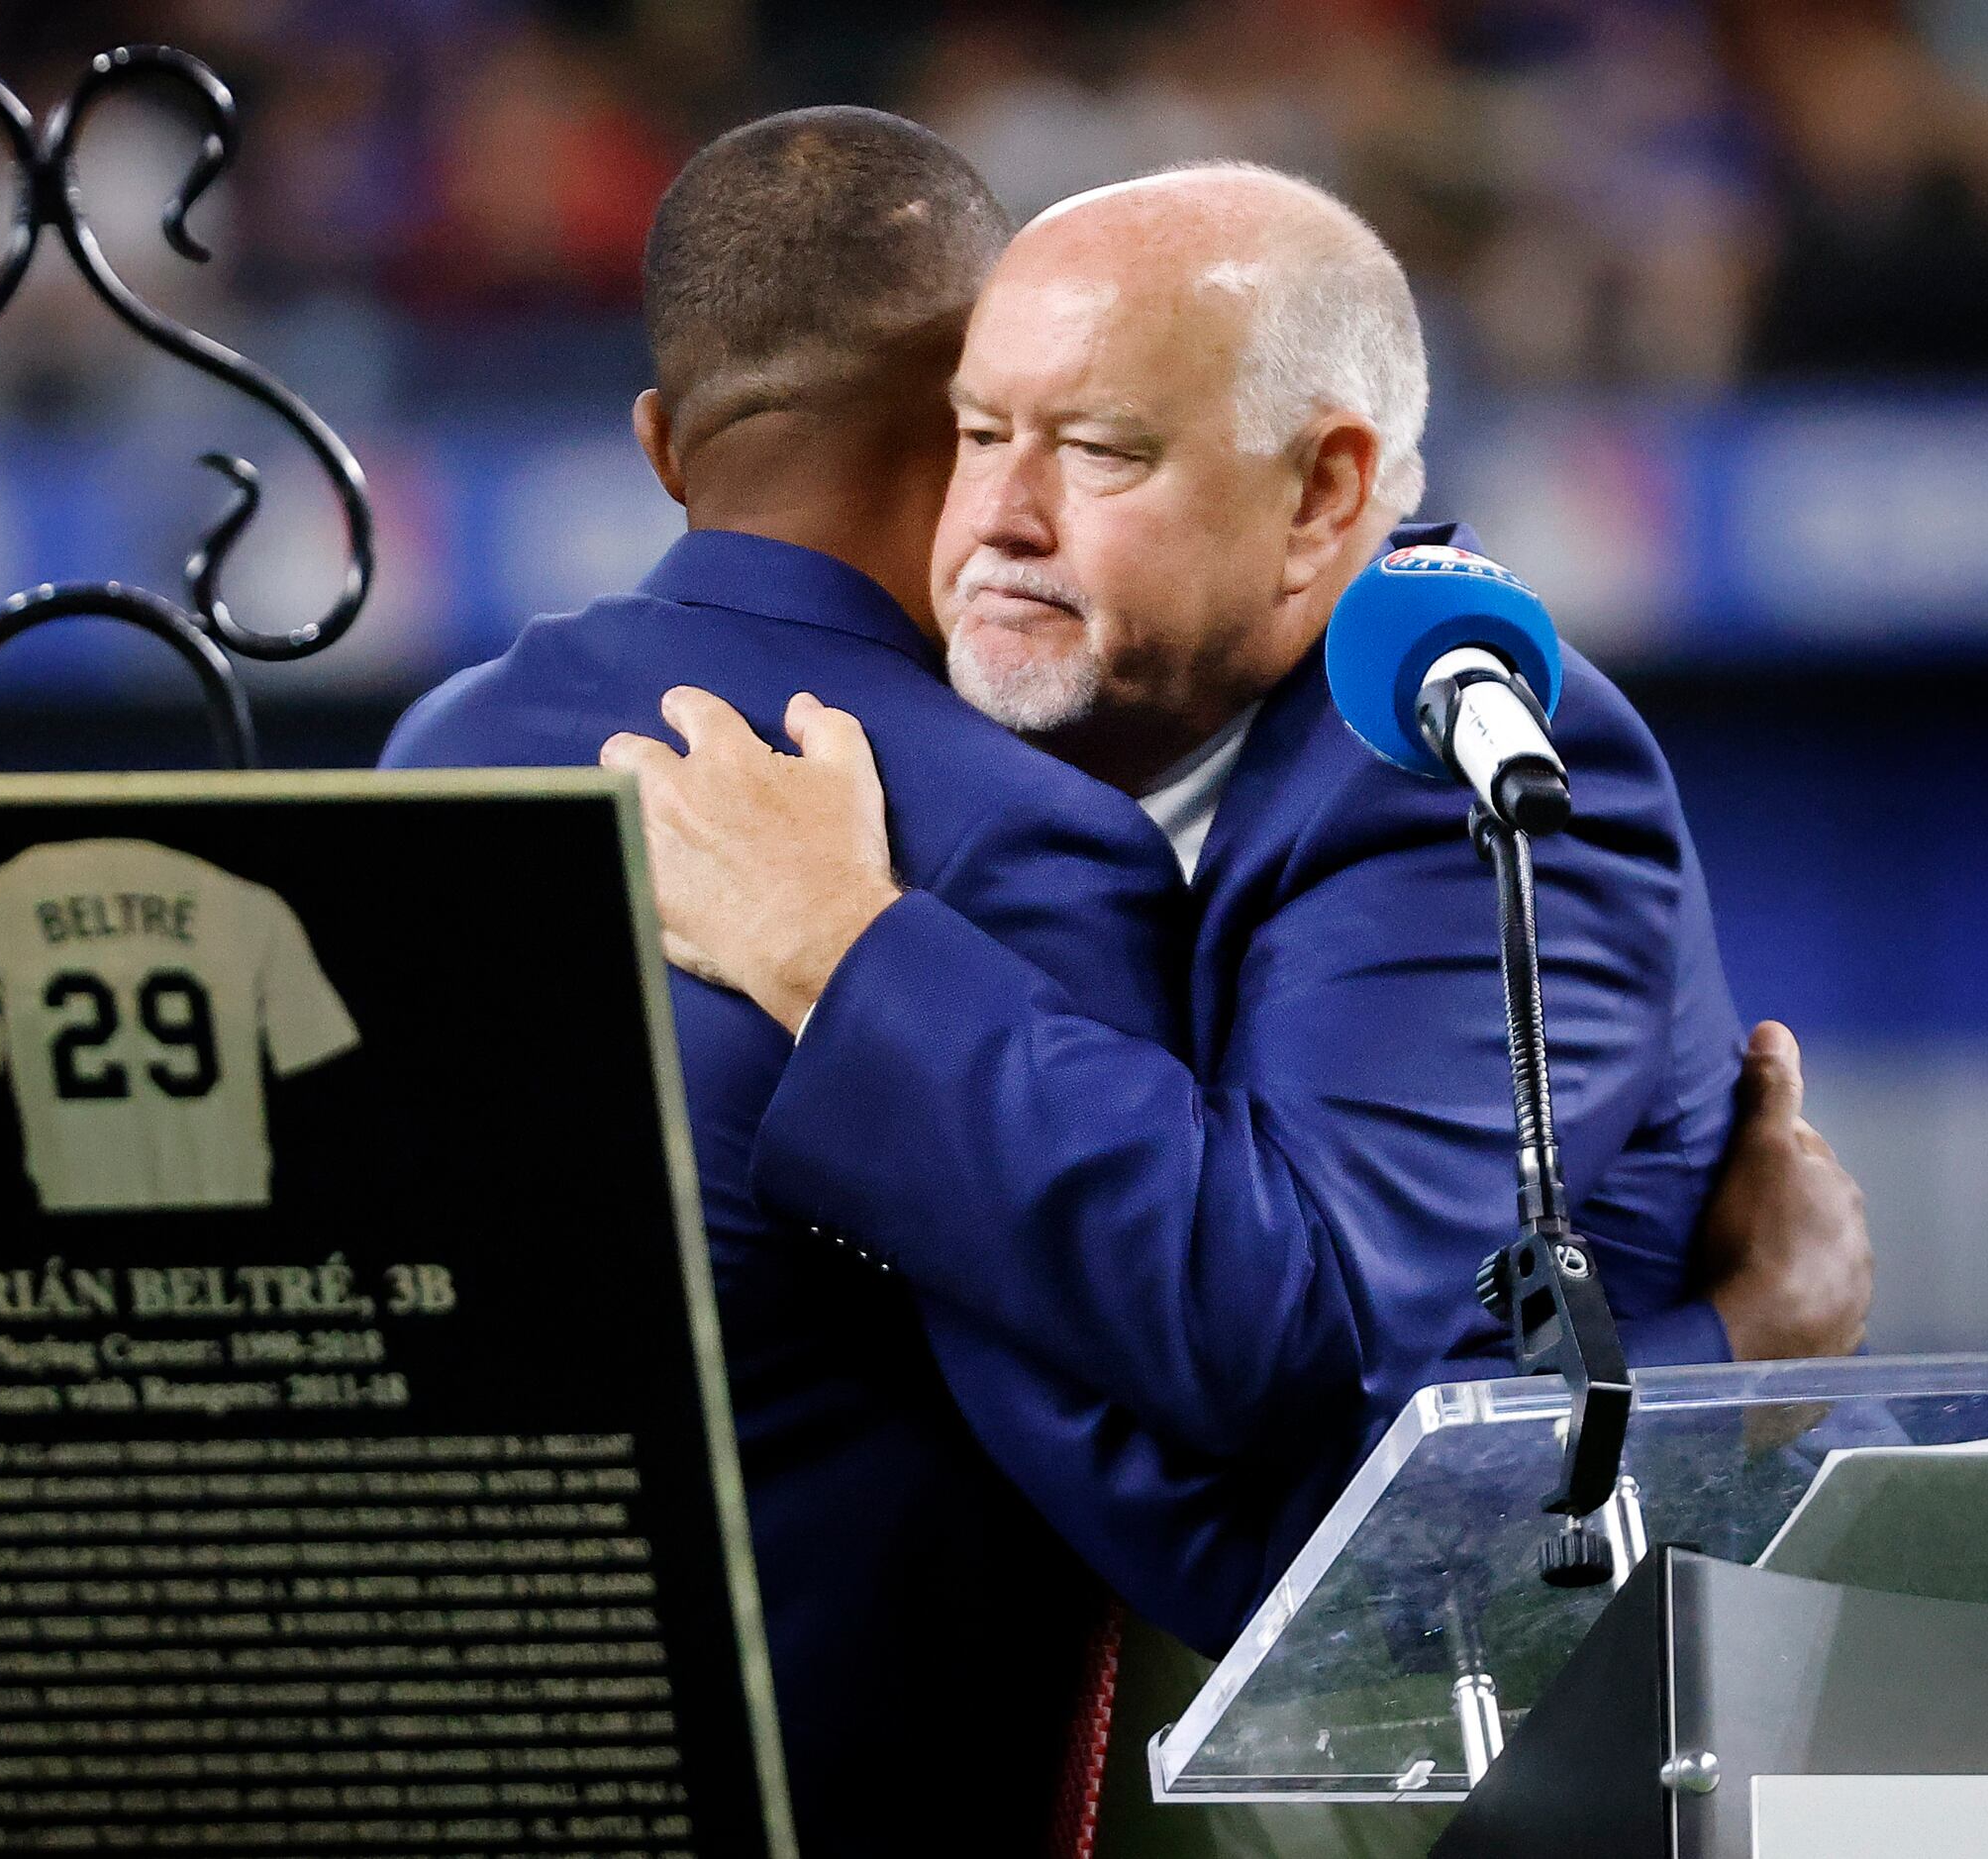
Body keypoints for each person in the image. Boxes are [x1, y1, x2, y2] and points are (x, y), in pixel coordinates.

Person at [384, 119, 1869, 1857]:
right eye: (973, 435)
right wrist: (1745, 1363)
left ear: (1323, 493)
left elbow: (1279, 1439)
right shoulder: (1004, 797)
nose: (995, 518)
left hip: (1561, 1787)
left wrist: (841, 954)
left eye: (1092, 449)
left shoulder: (1445, 771)